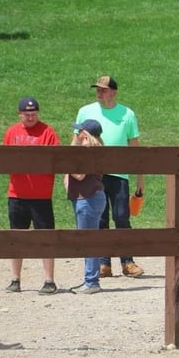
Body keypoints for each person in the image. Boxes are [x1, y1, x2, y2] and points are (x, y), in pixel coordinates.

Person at [75, 75, 144, 278]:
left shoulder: (127, 114)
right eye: (97, 89)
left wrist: (140, 180)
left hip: (119, 174)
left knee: (122, 216)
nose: (99, 92)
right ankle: (104, 263)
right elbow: (76, 142)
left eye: (103, 89)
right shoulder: (85, 111)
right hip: (94, 174)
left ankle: (127, 261)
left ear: (113, 92)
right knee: (100, 217)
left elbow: (136, 150)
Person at [2, 97, 59, 294]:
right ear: (20, 114)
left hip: (41, 195)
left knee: (46, 237)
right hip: (17, 193)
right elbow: (3, 159)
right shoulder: (12, 132)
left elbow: (56, 160)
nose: (30, 117)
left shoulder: (48, 132)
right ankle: (15, 279)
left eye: (33, 114)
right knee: (17, 237)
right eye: (27, 114)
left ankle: (49, 280)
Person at [65, 119, 107, 294]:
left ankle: (92, 281)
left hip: (88, 199)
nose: (76, 134)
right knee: (88, 239)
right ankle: (90, 279)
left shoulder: (89, 152)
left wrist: (64, 164)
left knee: (88, 241)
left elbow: (80, 175)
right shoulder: (92, 150)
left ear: (85, 133)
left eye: (79, 131)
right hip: (88, 198)